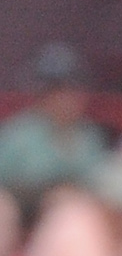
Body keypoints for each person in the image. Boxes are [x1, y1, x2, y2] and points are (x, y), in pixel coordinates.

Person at [0, 45, 109, 209]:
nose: (67, 99)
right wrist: (46, 194)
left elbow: (101, 180)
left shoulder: (91, 135)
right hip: (28, 212)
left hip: (81, 213)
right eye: (58, 91)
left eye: (72, 90)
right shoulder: (16, 134)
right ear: (42, 95)